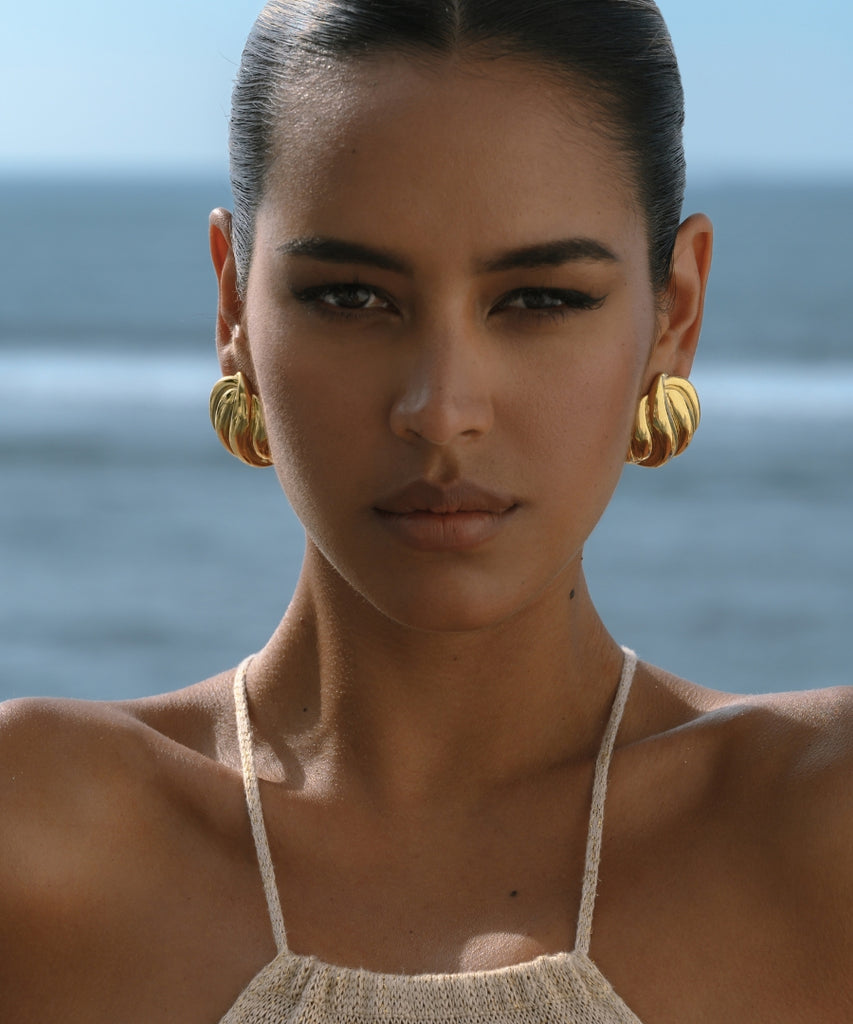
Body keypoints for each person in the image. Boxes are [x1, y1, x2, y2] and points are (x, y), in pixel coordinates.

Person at [1, 0, 851, 1020]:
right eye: (351, 296)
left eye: (539, 298)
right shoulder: (34, 840)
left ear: (674, 313)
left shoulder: (818, 831)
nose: (440, 411)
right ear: (234, 306)